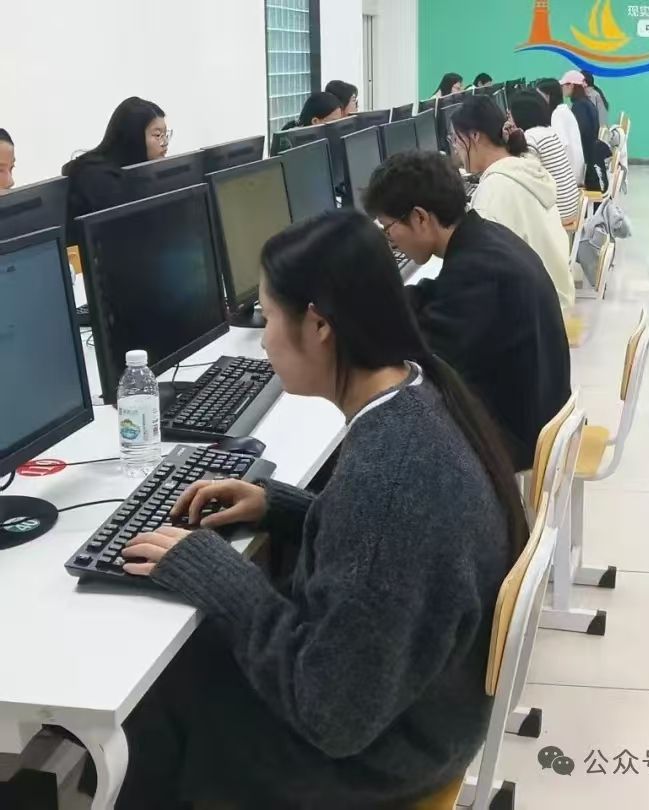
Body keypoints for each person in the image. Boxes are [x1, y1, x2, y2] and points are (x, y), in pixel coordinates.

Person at [111, 209, 527, 808]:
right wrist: (281, 505)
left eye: (270, 318)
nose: (263, 340)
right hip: (421, 705)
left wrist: (219, 573)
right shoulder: (415, 391)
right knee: (192, 653)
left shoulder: (391, 473)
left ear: (319, 325)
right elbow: (387, 554)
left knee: (161, 692)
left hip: (384, 753)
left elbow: (332, 713)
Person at [363, 151, 572, 471]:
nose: (390, 241)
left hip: (518, 435)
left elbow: (422, 359)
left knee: (381, 439)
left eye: (388, 229)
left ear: (420, 218)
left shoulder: (475, 271)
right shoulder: (485, 238)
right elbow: (436, 295)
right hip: (540, 408)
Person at [451, 96, 574, 309]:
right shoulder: (526, 166)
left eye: (455, 139)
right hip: (555, 300)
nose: (455, 149)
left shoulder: (495, 190)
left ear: (475, 136)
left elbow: (483, 274)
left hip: (535, 313)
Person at [61, 97, 168, 239]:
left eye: (166, 135)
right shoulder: (98, 179)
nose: (164, 142)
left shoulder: (141, 174)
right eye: (158, 135)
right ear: (134, 137)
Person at [509, 90, 580, 224]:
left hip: (560, 212)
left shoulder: (530, 138)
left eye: (510, 115)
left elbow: (525, 178)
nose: (510, 120)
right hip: (572, 206)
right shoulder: (549, 131)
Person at [537, 77, 585, 185]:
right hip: (575, 172)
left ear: (548, 96)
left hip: (569, 177)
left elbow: (560, 146)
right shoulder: (563, 110)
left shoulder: (558, 114)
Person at [561, 70, 601, 189]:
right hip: (589, 161)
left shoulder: (580, 107)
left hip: (585, 167)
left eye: (564, 85)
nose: (562, 88)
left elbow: (578, 135)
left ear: (571, 85)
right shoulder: (585, 103)